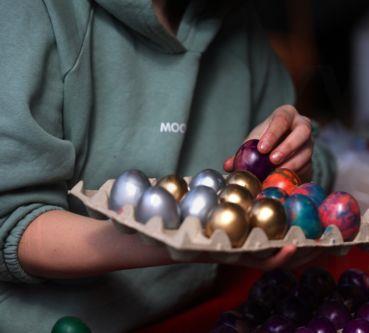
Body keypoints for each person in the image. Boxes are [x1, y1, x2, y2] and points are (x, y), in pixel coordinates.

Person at [0, 0, 335, 331]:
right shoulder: (38, 13)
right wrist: (177, 242)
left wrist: (292, 165)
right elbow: (11, 222)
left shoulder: (238, 25)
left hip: (197, 312)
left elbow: (321, 171)